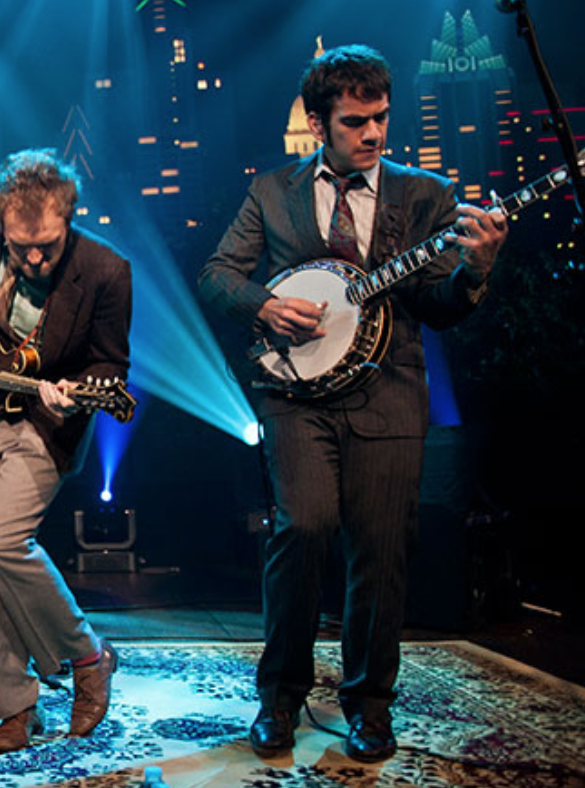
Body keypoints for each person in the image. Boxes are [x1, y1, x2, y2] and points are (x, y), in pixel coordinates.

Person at [197, 45, 506, 762]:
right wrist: (265, 304)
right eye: (356, 121)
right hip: (294, 396)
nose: (373, 135)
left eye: (382, 120)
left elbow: (435, 302)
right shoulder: (271, 191)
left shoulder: (421, 195)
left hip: (389, 394)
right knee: (302, 529)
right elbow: (218, 275)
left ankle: (369, 704)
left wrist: (473, 272)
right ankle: (279, 696)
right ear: (319, 121)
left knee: (380, 549)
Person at [0, 148, 127, 752]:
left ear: (68, 219)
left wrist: (75, 398)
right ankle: (14, 707)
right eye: (21, 247)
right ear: (0, 224)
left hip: (45, 424)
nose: (35, 258)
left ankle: (86, 655)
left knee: (0, 540)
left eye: (48, 244)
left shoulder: (105, 270)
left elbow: (109, 365)